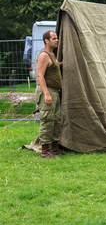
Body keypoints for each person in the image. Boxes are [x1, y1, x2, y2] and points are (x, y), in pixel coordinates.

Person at [35, 30, 64, 158]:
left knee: (56, 120)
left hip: (55, 92)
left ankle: (55, 148)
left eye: (56, 38)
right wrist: (46, 94)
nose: (56, 40)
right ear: (46, 40)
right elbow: (39, 75)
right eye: (54, 38)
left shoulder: (52, 54)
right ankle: (45, 150)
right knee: (47, 120)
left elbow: (54, 67)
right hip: (48, 92)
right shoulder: (44, 55)